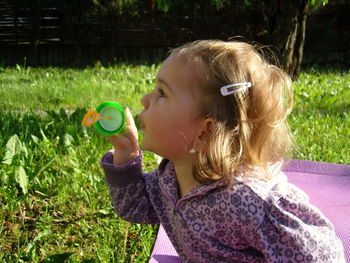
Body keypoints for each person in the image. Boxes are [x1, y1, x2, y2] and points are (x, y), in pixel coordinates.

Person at [101, 40, 345, 262]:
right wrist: (126, 155)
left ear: (205, 131)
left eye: (162, 93)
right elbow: (136, 207)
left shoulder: (248, 201)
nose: (145, 99)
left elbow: (323, 256)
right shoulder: (171, 177)